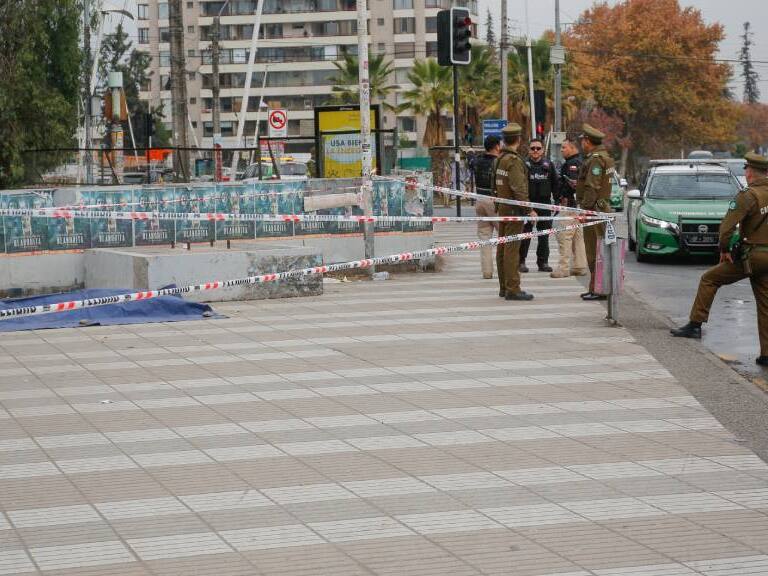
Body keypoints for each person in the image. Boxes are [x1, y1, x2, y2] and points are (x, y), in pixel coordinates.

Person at [671, 152, 768, 365]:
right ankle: (766, 354)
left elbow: (726, 228)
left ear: (750, 172)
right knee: (765, 304)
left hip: (752, 257)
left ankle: (695, 325)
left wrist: (724, 249)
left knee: (710, 278)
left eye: (746, 170)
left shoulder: (748, 195)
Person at [495, 123, 534, 301]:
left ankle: (504, 286)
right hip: (514, 211)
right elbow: (519, 188)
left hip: (502, 209)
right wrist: (529, 210)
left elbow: (493, 186)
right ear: (518, 139)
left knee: (502, 249)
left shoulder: (499, 159)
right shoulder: (513, 161)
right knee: (511, 250)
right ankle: (513, 288)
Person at [576, 123, 614, 301]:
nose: (582, 143)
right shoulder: (603, 156)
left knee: (594, 251)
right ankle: (596, 287)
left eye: (583, 140)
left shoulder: (596, 159)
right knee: (600, 250)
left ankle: (599, 289)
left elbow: (592, 186)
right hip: (600, 208)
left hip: (595, 210)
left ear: (588, 141)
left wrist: (585, 210)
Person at [551, 137, 588, 278]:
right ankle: (579, 266)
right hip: (576, 207)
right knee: (577, 238)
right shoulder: (580, 161)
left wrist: (562, 198)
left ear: (573, 148)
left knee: (564, 236)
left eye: (564, 147)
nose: (561, 150)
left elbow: (573, 185)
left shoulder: (572, 164)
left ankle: (563, 267)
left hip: (569, 206)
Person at [519, 138, 557, 273]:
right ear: (529, 150)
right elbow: (519, 187)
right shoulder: (523, 165)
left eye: (538, 148)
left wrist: (557, 203)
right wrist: (526, 207)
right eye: (533, 148)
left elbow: (555, 185)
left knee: (544, 235)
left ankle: (543, 262)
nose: (535, 150)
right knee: (525, 235)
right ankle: (521, 262)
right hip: (527, 205)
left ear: (543, 150)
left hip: (545, 205)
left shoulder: (549, 165)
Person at [472, 135, 502, 279]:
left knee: (484, 237)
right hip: (494, 201)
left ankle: (487, 272)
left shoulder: (477, 161)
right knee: (504, 236)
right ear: (497, 146)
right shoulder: (498, 162)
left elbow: (470, 163)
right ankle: (506, 268)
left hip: (479, 200)